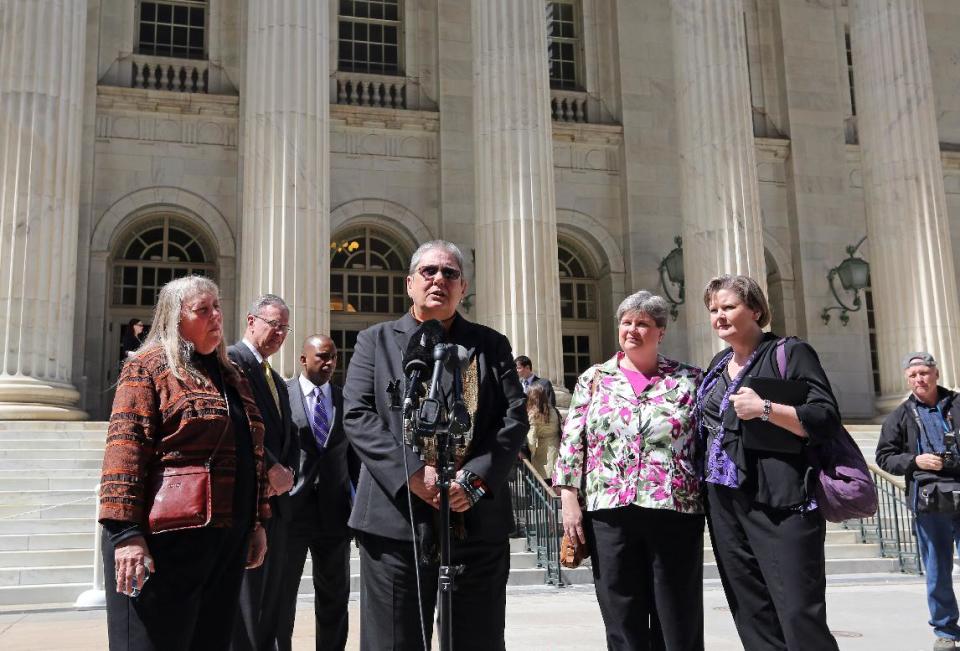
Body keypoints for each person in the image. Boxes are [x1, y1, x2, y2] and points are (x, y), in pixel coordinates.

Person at [343, 239, 528, 651]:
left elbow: (514, 419)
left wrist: (475, 480)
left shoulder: (490, 344)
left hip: (476, 520)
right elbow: (357, 414)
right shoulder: (374, 341)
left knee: (477, 639)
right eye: (429, 272)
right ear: (410, 283)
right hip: (396, 523)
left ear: (463, 288)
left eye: (450, 273)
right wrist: (411, 473)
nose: (439, 280)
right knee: (394, 640)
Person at [98, 275, 270, 650]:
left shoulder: (231, 374)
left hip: (224, 540)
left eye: (218, 308)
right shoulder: (148, 366)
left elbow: (250, 452)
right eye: (202, 310)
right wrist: (125, 535)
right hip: (166, 544)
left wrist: (255, 521)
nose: (216, 317)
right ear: (175, 318)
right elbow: (124, 451)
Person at [695, 274, 839, 651]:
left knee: (798, 613)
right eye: (713, 310)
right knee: (751, 611)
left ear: (756, 309)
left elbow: (824, 417)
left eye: (729, 307)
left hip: (781, 499)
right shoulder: (717, 363)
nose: (719, 317)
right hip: (725, 501)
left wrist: (766, 409)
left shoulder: (790, 353)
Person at [554, 290, 704, 650]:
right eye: (627, 322)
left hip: (674, 509)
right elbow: (573, 440)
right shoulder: (593, 378)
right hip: (610, 509)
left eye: (643, 324)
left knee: (676, 611)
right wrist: (569, 499)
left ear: (660, 332)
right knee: (621, 609)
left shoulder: (689, 380)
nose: (633, 330)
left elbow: (706, 442)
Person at [275, 335, 359, 651]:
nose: (329, 363)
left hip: (335, 516)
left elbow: (355, 461)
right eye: (322, 356)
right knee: (282, 596)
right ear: (303, 359)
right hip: (292, 513)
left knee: (335, 598)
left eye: (333, 357)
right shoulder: (283, 396)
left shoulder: (345, 399)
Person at [876, 352, 960, 651]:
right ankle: (946, 631)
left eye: (924, 373)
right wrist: (916, 460)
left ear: (936, 374)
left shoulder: (957, 404)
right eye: (913, 375)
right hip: (929, 501)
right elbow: (884, 457)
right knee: (937, 569)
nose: (919, 379)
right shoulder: (900, 415)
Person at [229, 294, 299, 651]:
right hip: (251, 503)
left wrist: (287, 472)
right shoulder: (232, 362)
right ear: (251, 320)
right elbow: (236, 421)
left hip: (279, 507)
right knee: (247, 605)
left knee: (272, 603)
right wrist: (269, 468)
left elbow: (291, 434)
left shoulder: (275, 376)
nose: (280, 333)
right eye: (274, 324)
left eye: (285, 328)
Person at [525, 383, 560, 483]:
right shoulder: (553, 410)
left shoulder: (534, 413)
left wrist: (531, 453)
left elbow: (531, 438)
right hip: (556, 447)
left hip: (542, 452)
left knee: (545, 482)